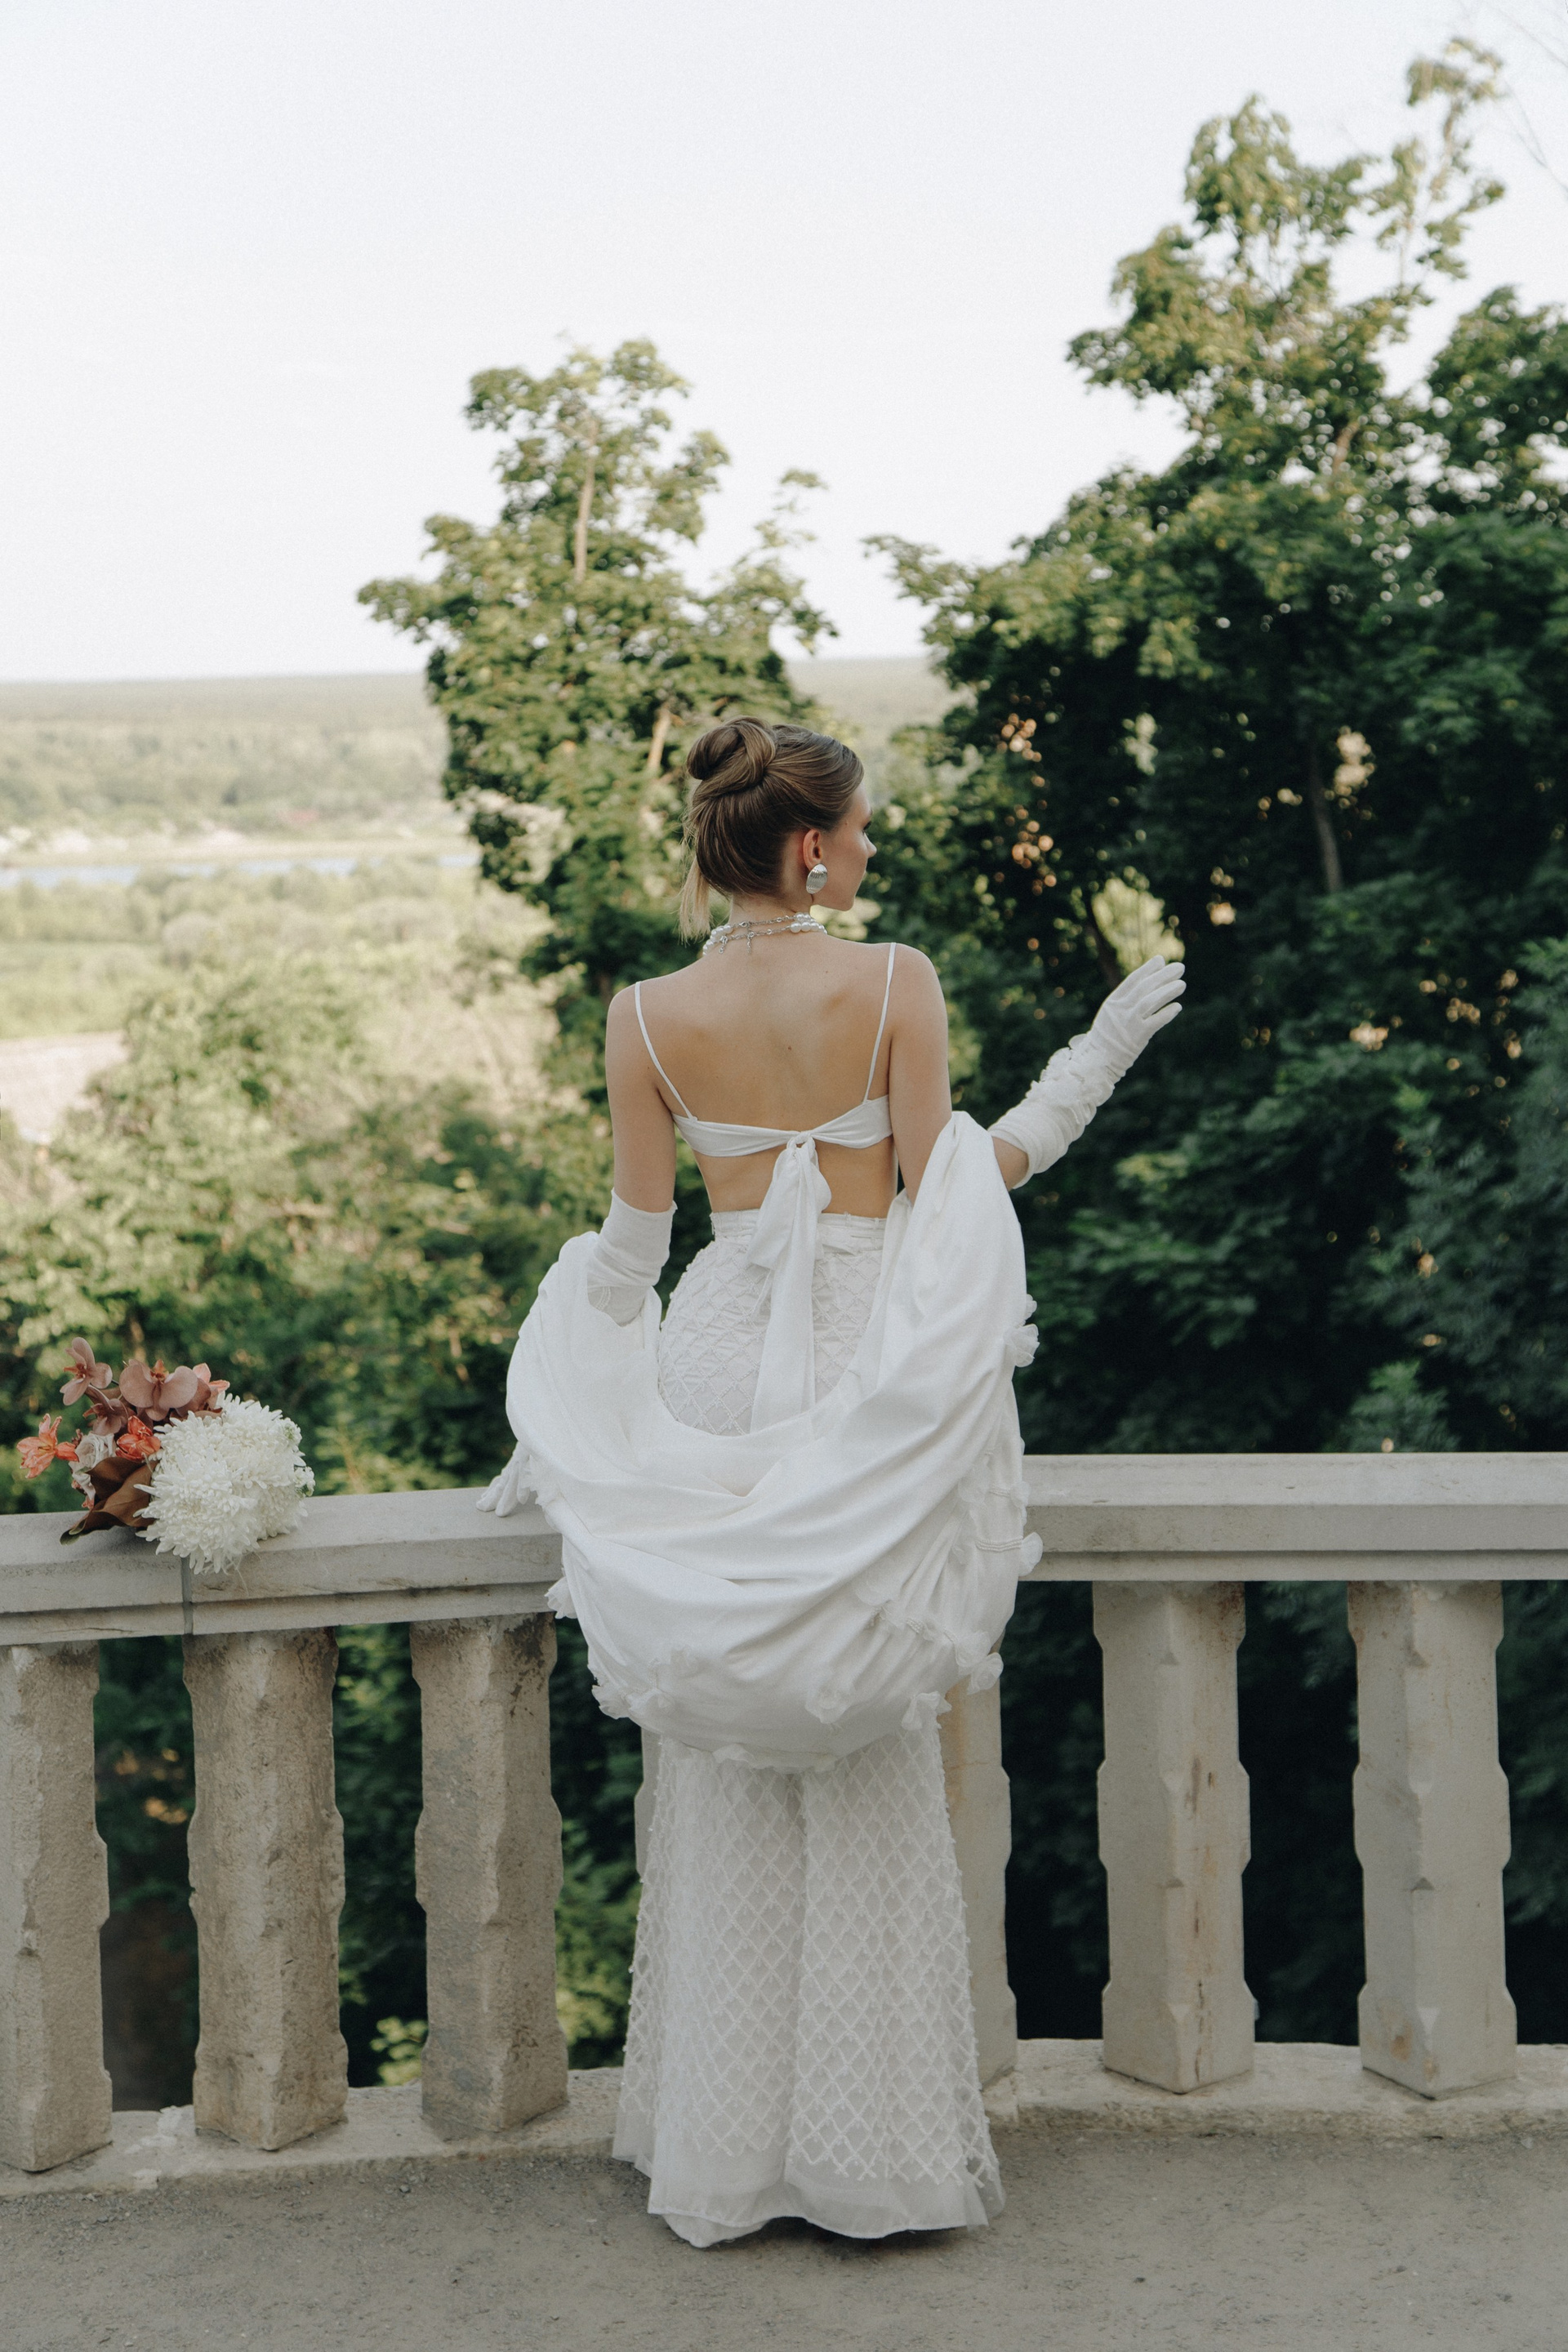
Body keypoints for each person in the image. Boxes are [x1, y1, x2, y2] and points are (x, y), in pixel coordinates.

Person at [484, 717, 1183, 2247]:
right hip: (861, 1365)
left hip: (713, 1361)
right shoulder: (895, 982)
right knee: (862, 1740)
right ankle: (872, 2156)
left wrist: (567, 1402)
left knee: (727, 1758)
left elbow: (632, 1247)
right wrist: (1086, 1072)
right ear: (809, 849)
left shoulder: (643, 1014)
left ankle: (721, 2155)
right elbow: (950, 1190)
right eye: (858, 828)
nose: (869, 847)